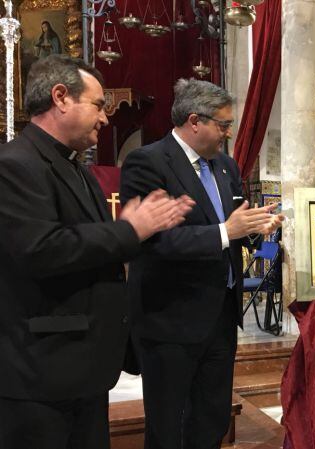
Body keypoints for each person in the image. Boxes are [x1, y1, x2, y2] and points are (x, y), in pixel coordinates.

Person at [0, 55, 192, 449]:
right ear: (61, 98)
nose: (105, 118)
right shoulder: (16, 165)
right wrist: (130, 230)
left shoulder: (75, 168)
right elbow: (41, 250)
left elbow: (88, 242)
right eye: (98, 105)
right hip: (41, 376)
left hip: (80, 371)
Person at [120, 78, 283, 449]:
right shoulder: (147, 163)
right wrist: (226, 231)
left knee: (211, 419)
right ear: (195, 121)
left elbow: (236, 224)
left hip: (221, 317)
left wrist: (258, 227)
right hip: (170, 321)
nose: (228, 133)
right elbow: (153, 242)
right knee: (168, 426)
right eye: (223, 125)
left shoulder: (225, 165)